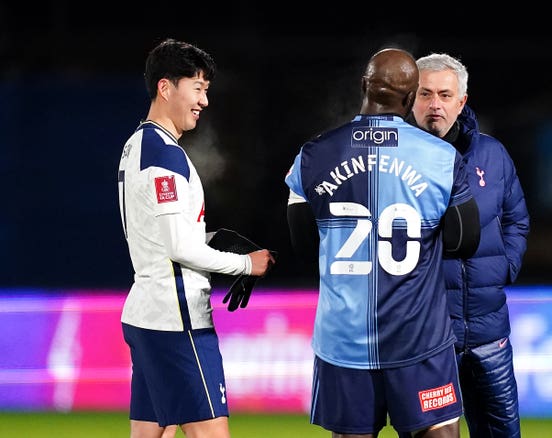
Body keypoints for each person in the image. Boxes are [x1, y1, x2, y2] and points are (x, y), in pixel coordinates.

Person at [284, 48, 480, 438]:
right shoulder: (441, 158)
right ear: (410, 100)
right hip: (418, 338)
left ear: (364, 86)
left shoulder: (312, 155)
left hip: (343, 340)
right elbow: (465, 240)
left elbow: (303, 245)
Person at [117, 38, 276, 438]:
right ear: (166, 87)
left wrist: (213, 236)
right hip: (177, 322)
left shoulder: (138, 145)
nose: (204, 101)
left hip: (149, 316)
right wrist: (245, 263)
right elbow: (177, 247)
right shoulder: (163, 155)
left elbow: (161, 234)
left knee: (153, 431)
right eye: (198, 88)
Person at [410, 53, 530, 438]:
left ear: (461, 102)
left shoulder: (492, 154)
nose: (435, 105)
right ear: (411, 99)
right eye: (425, 94)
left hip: (490, 334)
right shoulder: (396, 160)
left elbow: (517, 219)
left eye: (445, 95)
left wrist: (504, 268)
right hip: (429, 340)